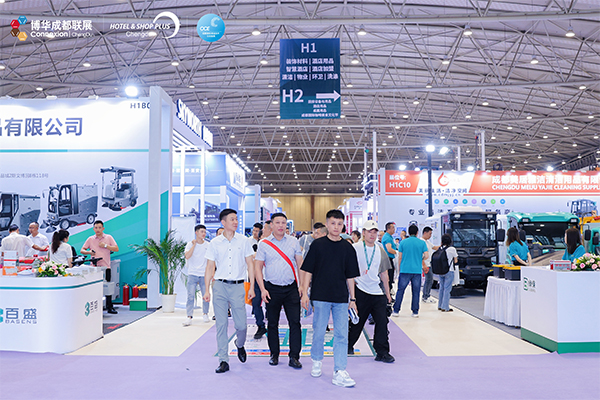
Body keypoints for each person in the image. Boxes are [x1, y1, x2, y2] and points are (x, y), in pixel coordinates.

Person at [300, 209, 360, 388]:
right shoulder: (317, 245)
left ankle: (339, 370)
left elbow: (351, 276)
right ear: (327, 224)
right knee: (319, 331)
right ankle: (316, 360)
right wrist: (305, 293)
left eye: (339, 224)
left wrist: (353, 299)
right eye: (333, 223)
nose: (336, 227)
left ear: (343, 226)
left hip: (341, 298)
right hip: (320, 296)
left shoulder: (348, 248)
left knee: (342, 334)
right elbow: (308, 270)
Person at [203, 209, 255, 374]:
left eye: (236, 219)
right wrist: (206, 290)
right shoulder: (215, 243)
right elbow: (209, 267)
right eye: (232, 219)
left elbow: (250, 264)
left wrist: (252, 286)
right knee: (221, 324)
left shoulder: (244, 241)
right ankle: (223, 360)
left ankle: (239, 344)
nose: (235, 222)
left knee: (241, 325)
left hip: (238, 287)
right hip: (219, 286)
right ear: (223, 222)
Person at [255, 212, 304, 369]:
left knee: (295, 323)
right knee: (272, 323)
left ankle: (294, 357)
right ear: (271, 225)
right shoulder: (263, 244)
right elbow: (257, 268)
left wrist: (302, 286)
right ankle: (274, 354)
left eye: (283, 222)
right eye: (277, 222)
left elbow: (300, 264)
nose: (281, 225)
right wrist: (262, 289)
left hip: (291, 289)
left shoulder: (293, 241)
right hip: (271, 289)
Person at [348, 220, 394, 363]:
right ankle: (348, 345)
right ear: (363, 233)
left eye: (375, 232)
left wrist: (388, 294)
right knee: (357, 323)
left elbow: (384, 274)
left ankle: (382, 352)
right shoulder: (354, 248)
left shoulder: (380, 250)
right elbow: (347, 270)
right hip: (360, 290)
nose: (372, 235)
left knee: (382, 322)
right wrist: (352, 295)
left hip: (377, 291)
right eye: (369, 231)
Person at [80, 220, 119, 314]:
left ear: (103, 228)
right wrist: (89, 252)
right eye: (96, 228)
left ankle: (109, 306)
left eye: (99, 228)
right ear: (93, 229)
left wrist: (105, 245)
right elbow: (82, 250)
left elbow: (116, 248)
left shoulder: (108, 237)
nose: (97, 230)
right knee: (94, 287)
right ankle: (95, 307)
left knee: (108, 287)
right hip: (94, 268)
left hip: (106, 266)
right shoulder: (90, 239)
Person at [392, 224, 429, 318]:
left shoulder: (403, 242)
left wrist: (399, 269)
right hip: (417, 270)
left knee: (400, 290)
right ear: (417, 233)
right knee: (416, 292)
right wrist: (420, 258)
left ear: (408, 232)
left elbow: (400, 257)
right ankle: (415, 312)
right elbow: (426, 255)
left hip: (405, 269)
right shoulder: (422, 243)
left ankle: (396, 310)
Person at [183, 224, 210, 326]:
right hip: (192, 273)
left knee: (205, 295)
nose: (204, 234)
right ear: (196, 232)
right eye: (202, 232)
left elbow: (210, 260)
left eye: (205, 232)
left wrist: (211, 273)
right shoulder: (190, 244)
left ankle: (205, 313)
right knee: (190, 296)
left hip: (204, 274)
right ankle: (189, 316)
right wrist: (194, 245)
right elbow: (187, 256)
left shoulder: (208, 245)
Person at [249, 222, 267, 340]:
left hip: (270, 279)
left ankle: (272, 325)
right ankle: (260, 325)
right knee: (256, 303)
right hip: (257, 278)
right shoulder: (251, 246)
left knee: (271, 304)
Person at [437, 234, 458, 312]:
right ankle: (445, 307)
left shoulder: (440, 248)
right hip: (449, 271)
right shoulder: (452, 249)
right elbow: (455, 260)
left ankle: (440, 305)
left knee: (441, 288)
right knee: (447, 289)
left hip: (441, 271)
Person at [421, 227, 439, 304]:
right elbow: (420, 255)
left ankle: (426, 295)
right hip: (425, 264)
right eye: (430, 234)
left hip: (429, 263)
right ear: (425, 233)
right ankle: (426, 296)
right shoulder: (421, 242)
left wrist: (443, 245)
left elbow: (435, 247)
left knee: (429, 280)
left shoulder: (428, 242)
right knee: (429, 280)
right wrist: (423, 265)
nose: (430, 235)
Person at [381, 222, 398, 294]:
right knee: (389, 277)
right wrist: (397, 252)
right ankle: (388, 294)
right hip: (387, 259)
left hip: (389, 259)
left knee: (390, 277)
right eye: (393, 228)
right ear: (388, 229)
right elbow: (389, 249)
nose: (394, 229)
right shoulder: (387, 237)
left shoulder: (389, 237)